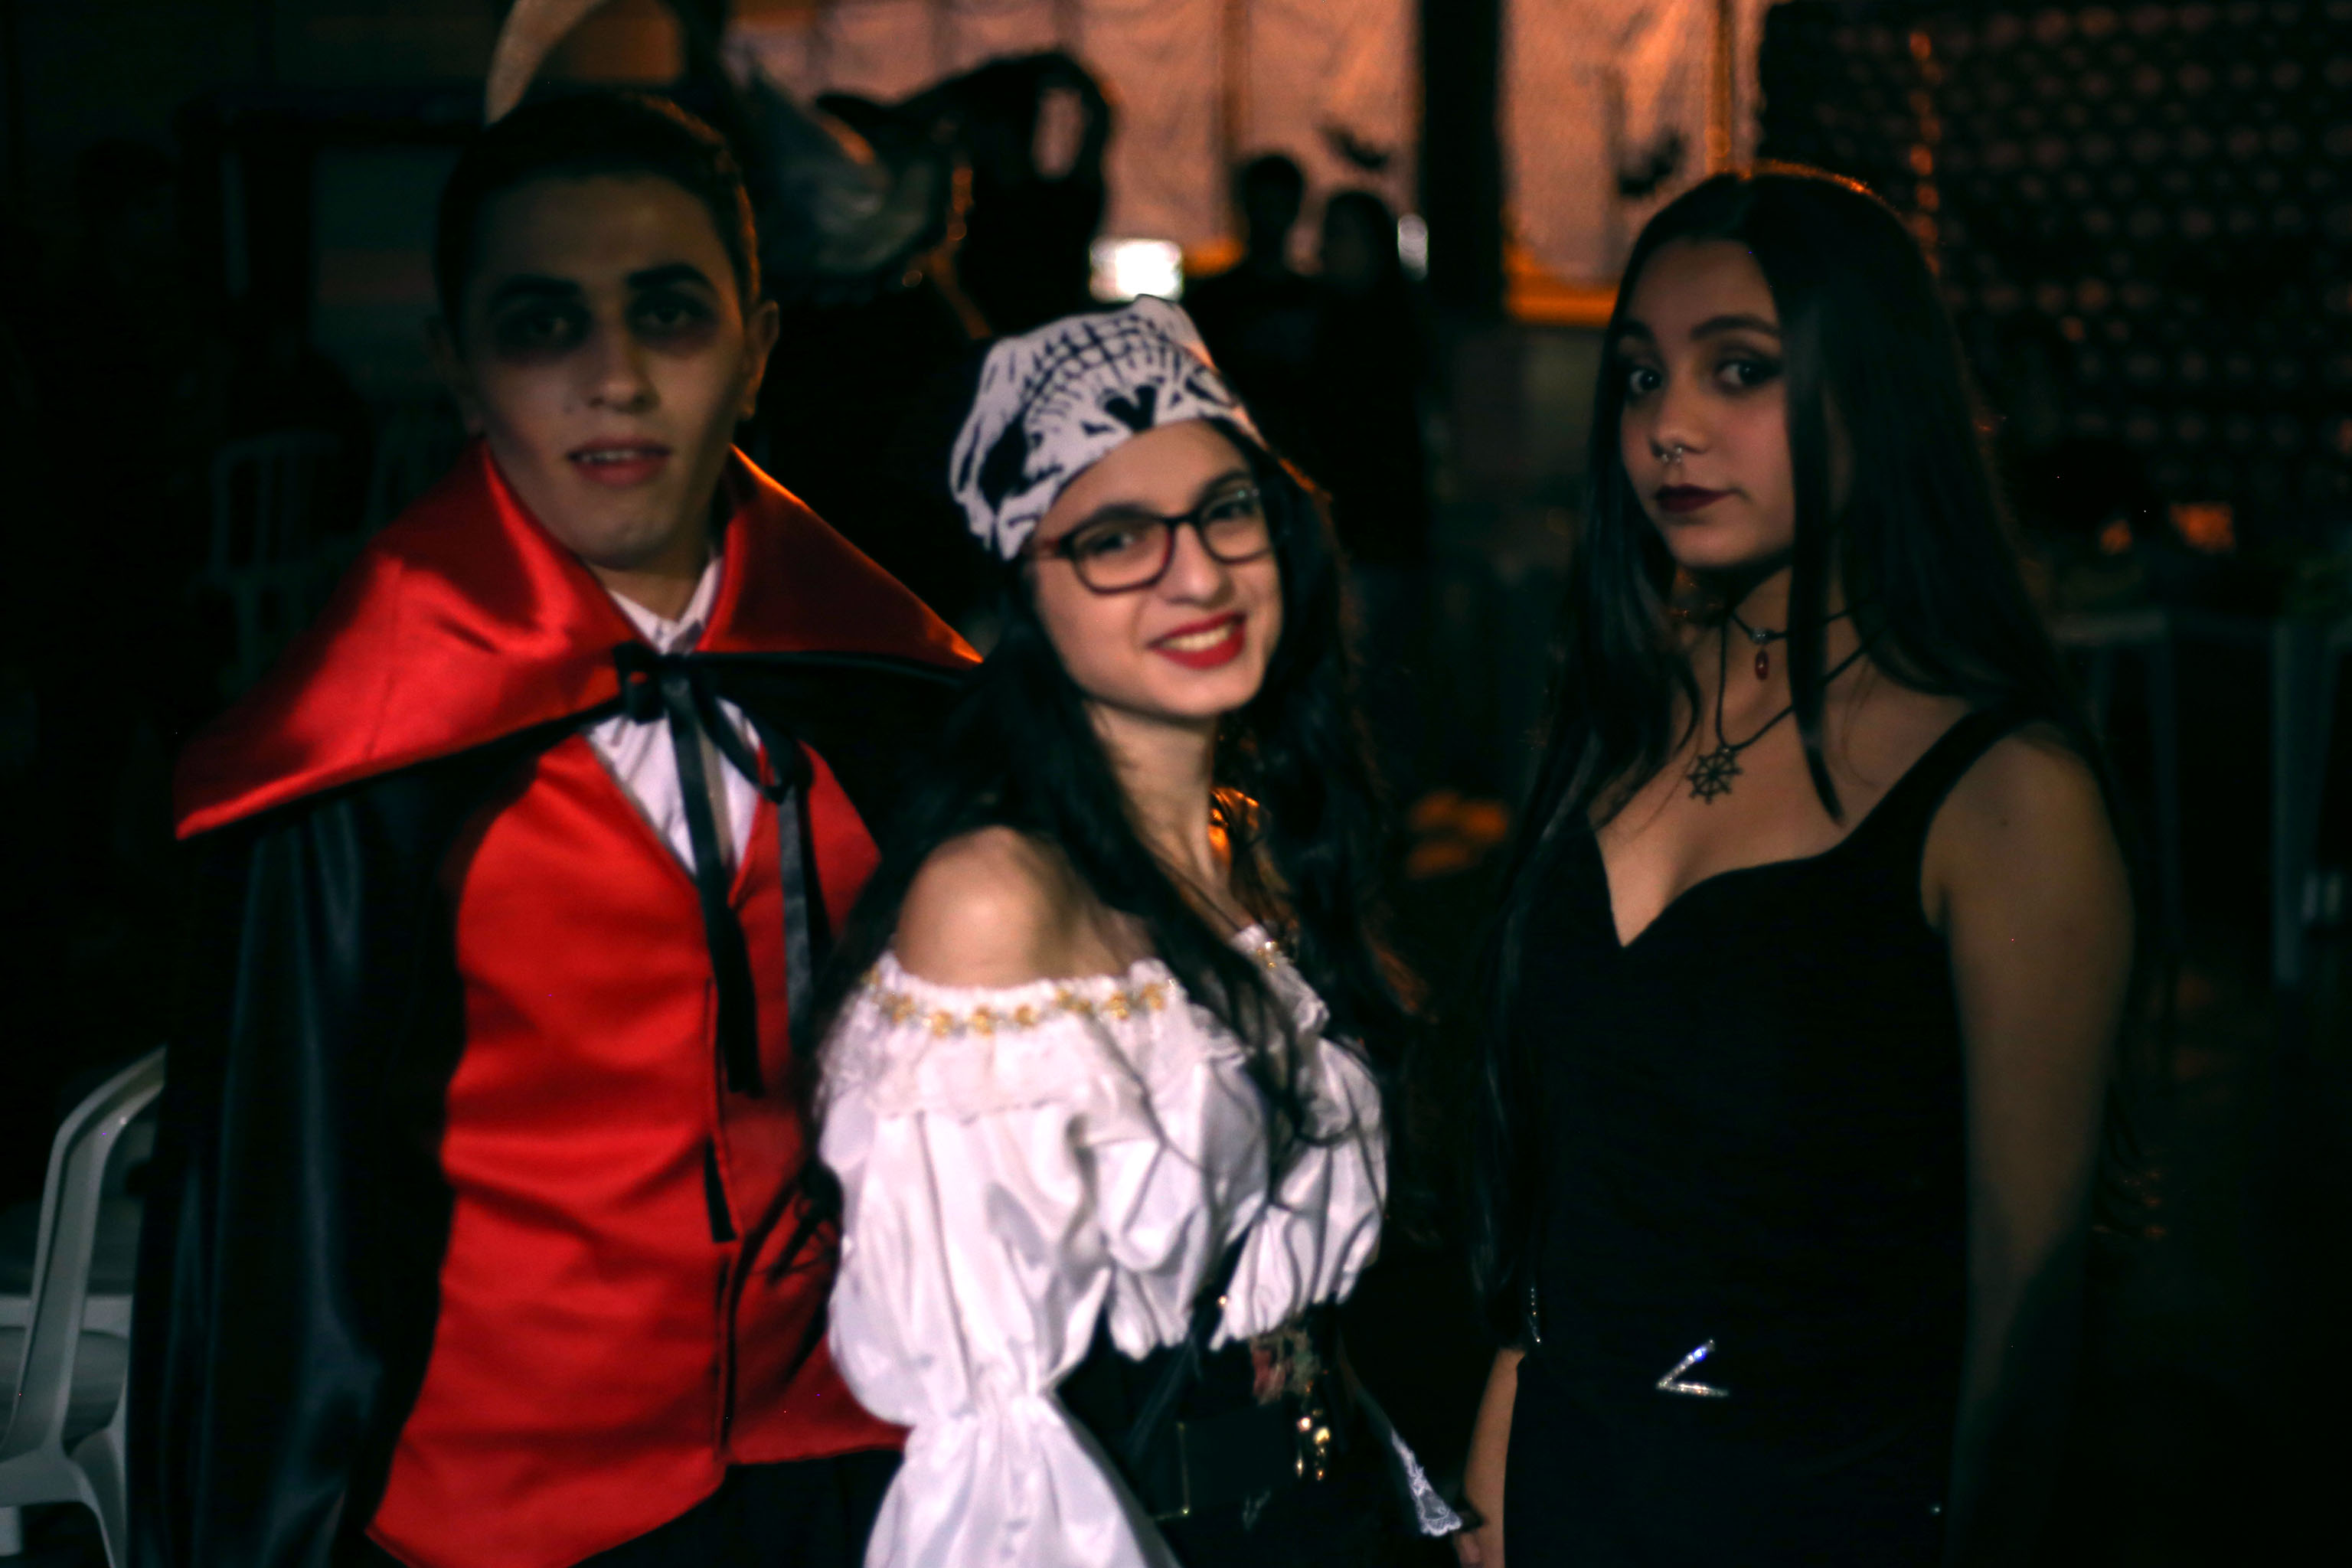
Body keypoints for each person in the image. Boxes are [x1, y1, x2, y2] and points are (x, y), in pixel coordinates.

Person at [132, 92, 973, 1568]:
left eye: (670, 313)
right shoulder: (357, 751)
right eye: (543, 325)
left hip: (846, 1455)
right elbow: (275, 1238)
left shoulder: (878, 683)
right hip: (499, 1509)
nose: (616, 378)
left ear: (758, 348)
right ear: (456, 367)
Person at [1455, 168, 2135, 1566]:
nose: (1670, 425)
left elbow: (2028, 1313)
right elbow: (1574, 1140)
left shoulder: (2005, 797)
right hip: (1563, 1483)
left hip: (1816, 1518)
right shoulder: (1619, 706)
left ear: (1875, 393)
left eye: (1739, 369)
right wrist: (1507, 1394)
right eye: (1640, 376)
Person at [805, 298, 1459, 1566]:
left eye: (1226, 511)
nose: (1198, 573)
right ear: (1022, 596)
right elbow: (986, 1447)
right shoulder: (997, 898)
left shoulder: (1252, 836)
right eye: (1114, 539)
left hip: (1329, 1517)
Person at [1186, 153, 1320, 460]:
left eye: (1275, 207)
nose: (1267, 220)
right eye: (1262, 207)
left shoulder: (1212, 298)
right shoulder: (1212, 300)